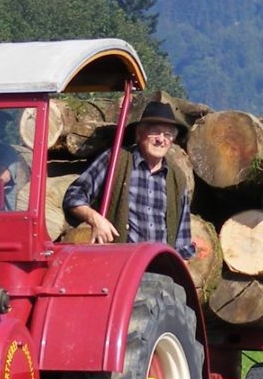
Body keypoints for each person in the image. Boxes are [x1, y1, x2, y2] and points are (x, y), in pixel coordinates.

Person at [63, 99, 195, 259]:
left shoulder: (177, 177)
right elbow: (74, 195)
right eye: (155, 132)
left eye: (167, 134)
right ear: (140, 134)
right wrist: (95, 219)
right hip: (119, 263)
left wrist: (181, 266)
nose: (161, 139)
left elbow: (182, 238)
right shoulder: (115, 161)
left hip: (159, 267)